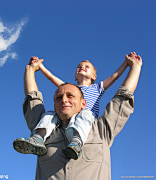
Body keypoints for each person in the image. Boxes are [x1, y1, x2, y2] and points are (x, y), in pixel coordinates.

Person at [14, 52, 142, 180]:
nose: (64, 100)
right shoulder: (46, 122)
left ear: (83, 102)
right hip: (51, 124)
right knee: (48, 115)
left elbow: (122, 94)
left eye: (70, 96)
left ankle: (76, 140)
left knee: (85, 113)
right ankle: (38, 138)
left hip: (88, 119)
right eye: (59, 97)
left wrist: (131, 65)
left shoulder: (101, 129)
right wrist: (33, 69)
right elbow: (35, 97)